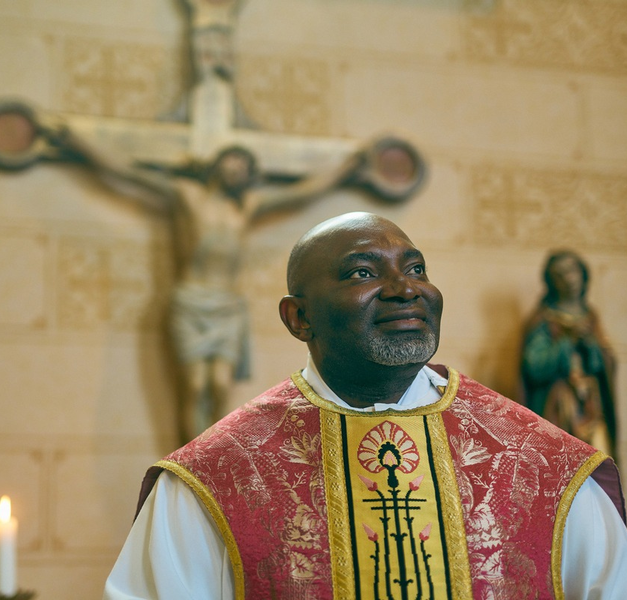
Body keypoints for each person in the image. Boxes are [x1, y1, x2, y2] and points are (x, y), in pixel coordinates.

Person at [102, 212, 627, 600]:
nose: (405, 290)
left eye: (417, 269)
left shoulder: (546, 466)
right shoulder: (215, 478)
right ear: (298, 318)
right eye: (362, 273)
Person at [44, 123, 364, 444]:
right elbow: (127, 174)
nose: (237, 169)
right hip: (191, 300)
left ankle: (213, 456)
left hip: (226, 306)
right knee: (195, 386)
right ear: (216, 164)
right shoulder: (188, 195)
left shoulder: (247, 205)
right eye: (232, 161)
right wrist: (78, 142)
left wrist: (346, 168)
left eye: (245, 166)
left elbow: (301, 194)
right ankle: (190, 459)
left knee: (221, 386)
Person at [521, 249, 617, 456]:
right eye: (560, 274)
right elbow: (534, 366)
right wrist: (566, 342)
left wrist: (590, 345)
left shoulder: (591, 317)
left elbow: (606, 364)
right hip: (560, 405)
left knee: (598, 461)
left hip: (591, 404)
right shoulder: (544, 320)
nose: (569, 279)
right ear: (551, 281)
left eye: (572, 271)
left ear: (583, 274)